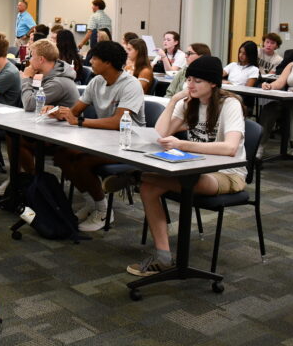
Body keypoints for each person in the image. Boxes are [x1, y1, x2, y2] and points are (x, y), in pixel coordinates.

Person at [103, 55, 247, 276]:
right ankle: (163, 257)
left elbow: (230, 148)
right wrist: (172, 102)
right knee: (149, 189)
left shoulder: (230, 104)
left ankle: (139, 176)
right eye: (188, 79)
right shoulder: (189, 102)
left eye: (197, 81)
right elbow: (160, 134)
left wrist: (183, 144)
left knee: (190, 180)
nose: (190, 85)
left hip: (227, 175)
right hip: (194, 166)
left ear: (214, 83)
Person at [49, 41, 145, 232]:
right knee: (62, 154)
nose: (90, 61)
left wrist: (80, 122)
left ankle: (103, 210)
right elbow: (75, 111)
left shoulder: (130, 85)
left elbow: (118, 121)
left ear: (108, 62)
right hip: (104, 140)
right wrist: (57, 111)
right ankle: (92, 202)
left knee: (83, 160)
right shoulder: (97, 81)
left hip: (130, 143)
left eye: (94, 58)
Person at [0, 39, 79, 193]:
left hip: (64, 135)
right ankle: (20, 178)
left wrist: (26, 78)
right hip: (49, 126)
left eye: (31, 56)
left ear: (41, 59)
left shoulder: (58, 82)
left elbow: (30, 104)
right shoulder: (50, 75)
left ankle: (29, 181)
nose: (29, 59)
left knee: (17, 140)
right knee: (11, 135)